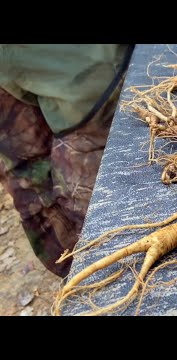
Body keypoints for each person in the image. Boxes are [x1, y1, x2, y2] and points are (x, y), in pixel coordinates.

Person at [0, 44, 134, 277]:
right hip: (75, 82)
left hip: (98, 82)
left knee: (110, 202)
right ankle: (88, 276)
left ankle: (106, 269)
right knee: (31, 180)